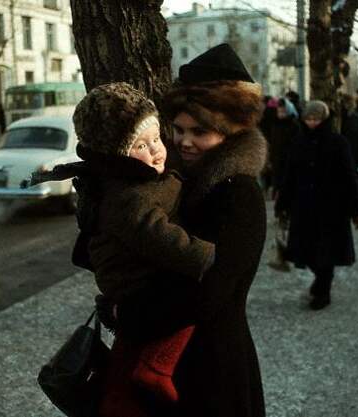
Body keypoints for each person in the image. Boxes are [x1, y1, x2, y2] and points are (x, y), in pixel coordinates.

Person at [96, 43, 268, 417]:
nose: (185, 141)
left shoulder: (239, 193)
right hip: (164, 362)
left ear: (229, 133)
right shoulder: (174, 182)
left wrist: (133, 312)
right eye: (178, 129)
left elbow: (213, 289)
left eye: (200, 131)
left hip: (212, 368)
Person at [69, 82, 216, 414]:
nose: (156, 150)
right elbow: (159, 236)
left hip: (140, 279)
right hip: (136, 283)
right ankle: (157, 366)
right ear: (116, 155)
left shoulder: (138, 180)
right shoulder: (126, 198)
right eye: (140, 145)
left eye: (156, 139)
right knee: (194, 297)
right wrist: (204, 254)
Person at [276, 100, 358, 310]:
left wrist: (357, 210)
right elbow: (290, 175)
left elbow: (350, 178)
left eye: (316, 119)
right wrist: (282, 203)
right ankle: (320, 281)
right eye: (308, 118)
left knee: (326, 252)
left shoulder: (338, 142)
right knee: (305, 251)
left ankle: (323, 291)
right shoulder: (299, 142)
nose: (312, 123)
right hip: (304, 206)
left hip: (332, 208)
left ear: (324, 119)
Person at [269, 97, 301, 271]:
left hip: (289, 168)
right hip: (277, 167)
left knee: (285, 194)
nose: (280, 114)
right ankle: (281, 215)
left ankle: (285, 216)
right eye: (278, 111)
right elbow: (273, 146)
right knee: (278, 192)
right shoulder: (275, 126)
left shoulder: (294, 126)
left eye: (283, 111)